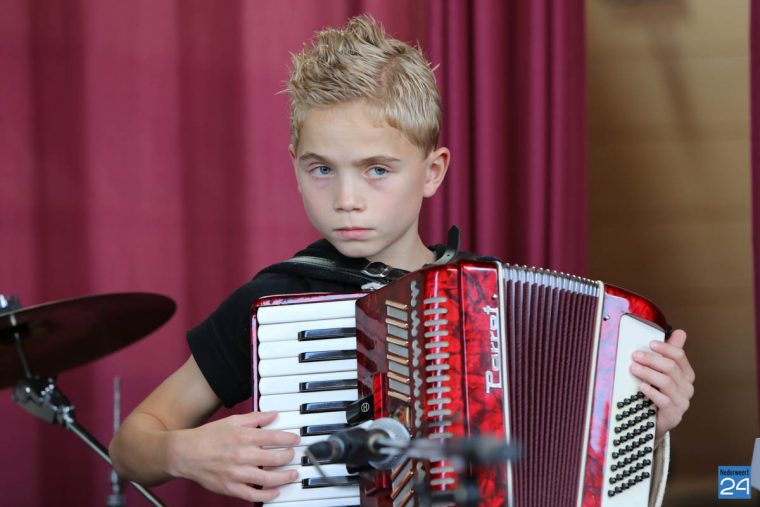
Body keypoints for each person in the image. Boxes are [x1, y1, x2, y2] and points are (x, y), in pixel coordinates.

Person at [109, 15, 695, 505]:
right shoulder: (274, 301)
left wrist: (646, 418)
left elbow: (574, 448)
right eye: (321, 169)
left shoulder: (489, 296)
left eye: (378, 170)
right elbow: (131, 443)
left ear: (433, 171)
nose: (346, 198)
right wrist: (182, 452)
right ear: (295, 166)